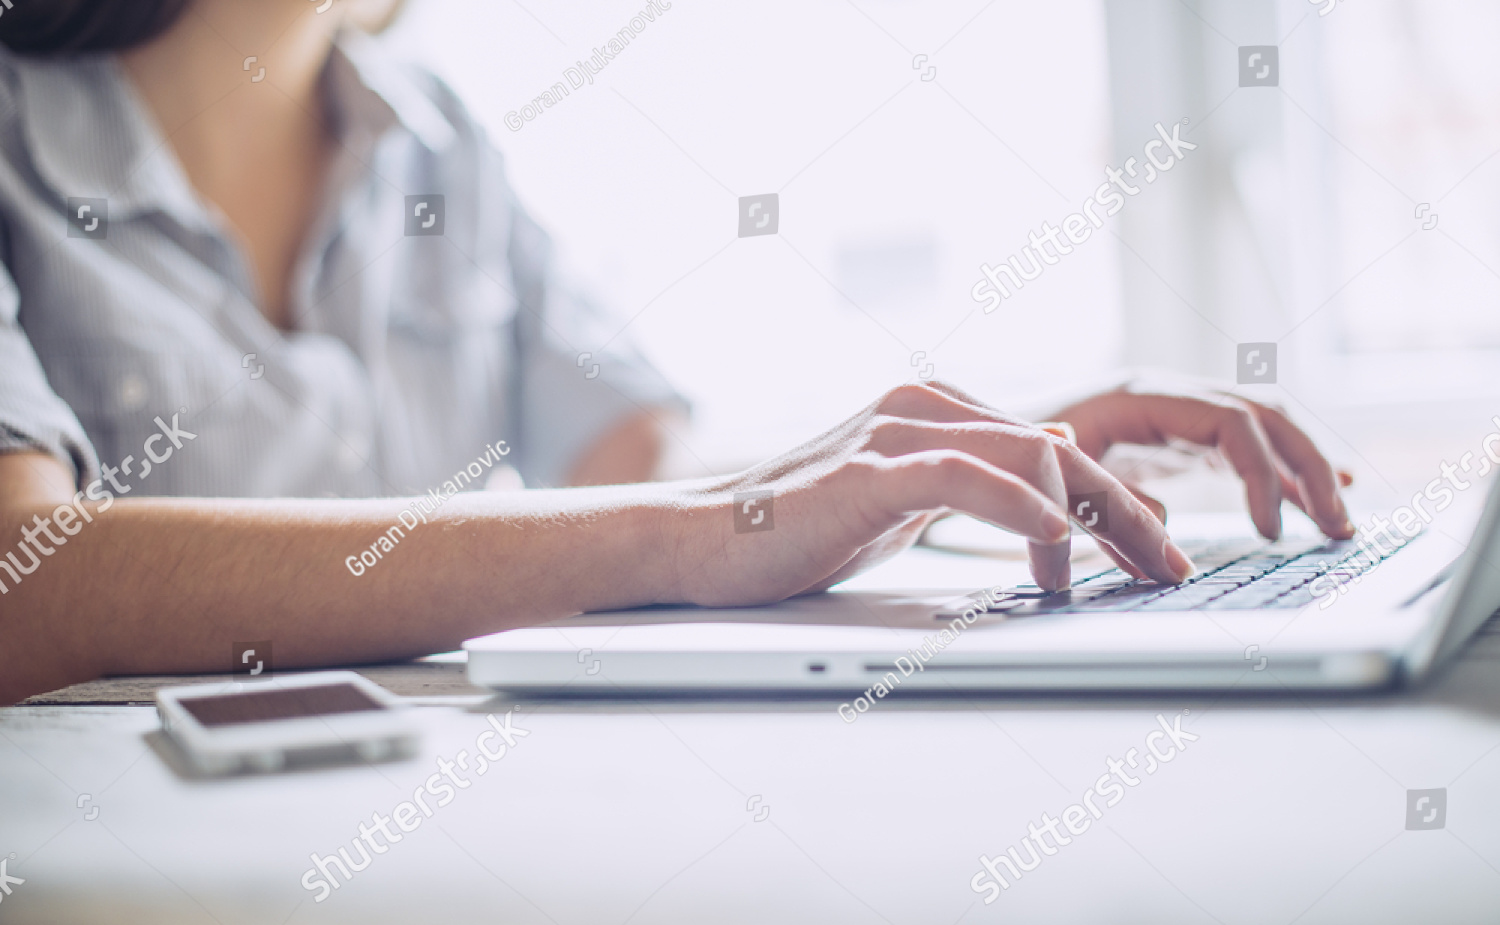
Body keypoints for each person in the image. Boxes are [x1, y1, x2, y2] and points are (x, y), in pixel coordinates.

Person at [0, 0, 1356, 706]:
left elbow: (641, 470)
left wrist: (953, 456)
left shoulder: (439, 144)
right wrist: (702, 527)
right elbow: (22, 582)